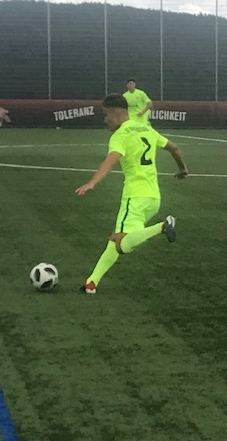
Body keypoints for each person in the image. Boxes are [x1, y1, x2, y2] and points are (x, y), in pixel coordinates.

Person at [75, 93, 188, 294]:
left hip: (135, 197)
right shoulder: (146, 128)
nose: (105, 120)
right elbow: (174, 147)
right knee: (115, 238)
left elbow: (110, 160)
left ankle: (162, 227)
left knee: (121, 244)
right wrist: (183, 168)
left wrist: (92, 182)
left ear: (116, 112)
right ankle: (92, 283)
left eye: (106, 115)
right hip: (153, 198)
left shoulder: (120, 135)